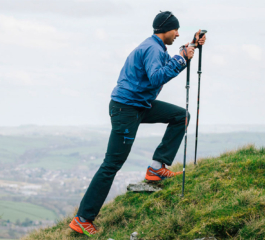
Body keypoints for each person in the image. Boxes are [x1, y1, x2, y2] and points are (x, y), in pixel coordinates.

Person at [69, 11, 206, 235]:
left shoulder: (155, 47)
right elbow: (157, 77)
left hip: (139, 105)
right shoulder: (152, 49)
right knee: (112, 164)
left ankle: (156, 169)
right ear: (166, 29)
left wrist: (190, 47)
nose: (177, 33)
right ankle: (83, 218)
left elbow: (165, 67)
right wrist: (182, 58)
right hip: (127, 109)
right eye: (176, 29)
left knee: (181, 116)